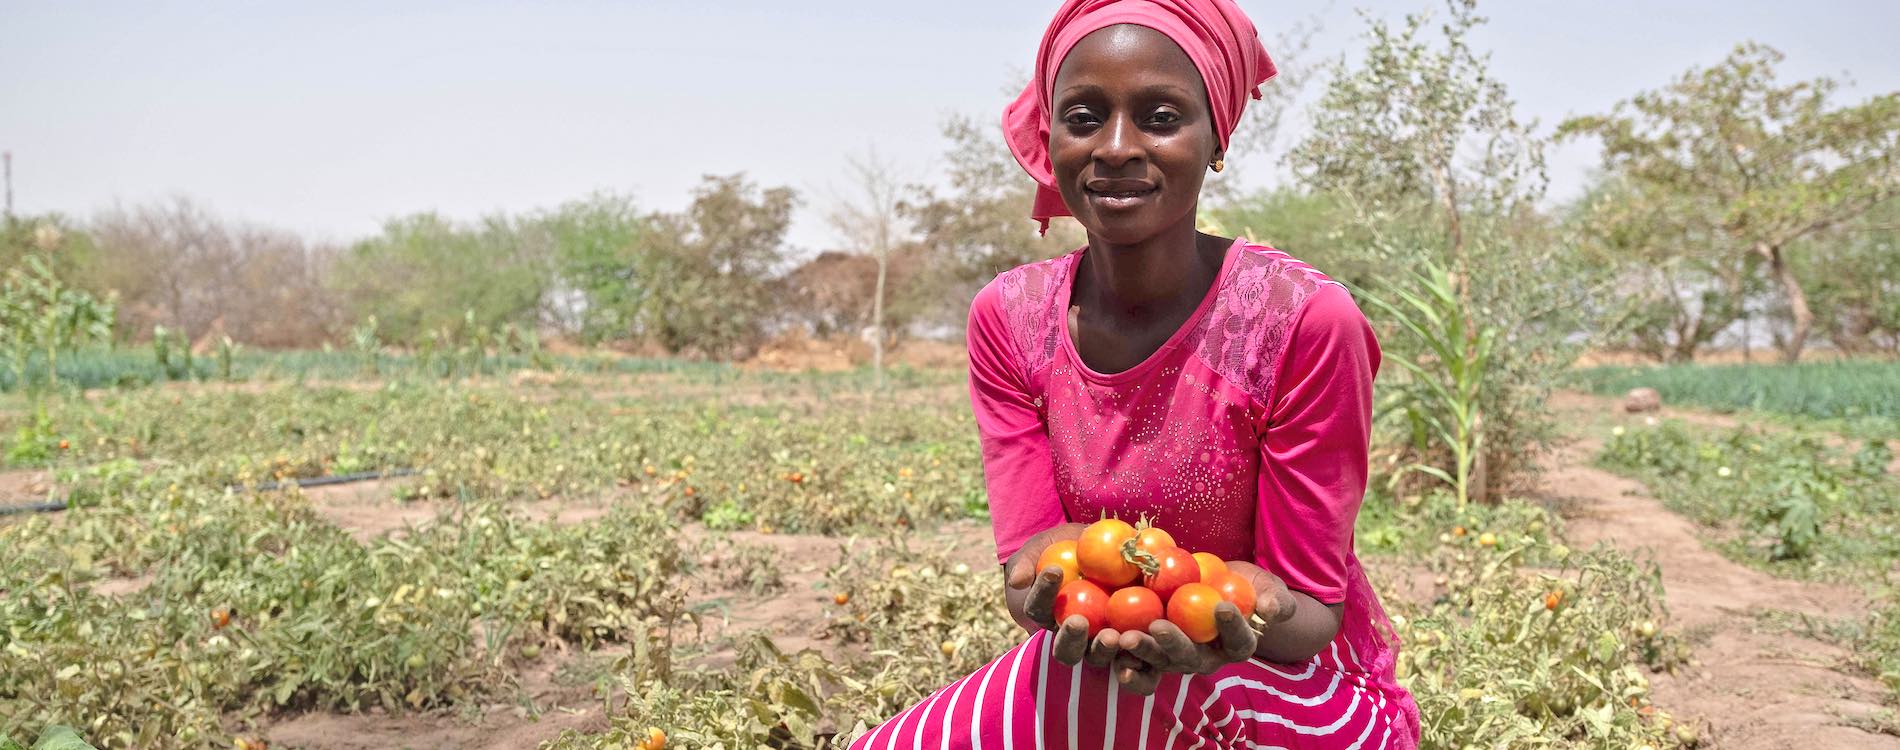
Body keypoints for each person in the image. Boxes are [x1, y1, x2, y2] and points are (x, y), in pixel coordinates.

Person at [848, 0, 1419, 747]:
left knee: (1103, 695)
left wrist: (1244, 609)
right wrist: (1062, 601)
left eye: (1159, 116)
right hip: (1090, 668)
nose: (1116, 147)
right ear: (1050, 139)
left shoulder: (1302, 322)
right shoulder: (1009, 320)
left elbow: (1311, 611)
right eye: (1084, 117)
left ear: (1216, 136)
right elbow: (1031, 575)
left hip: (1292, 688)